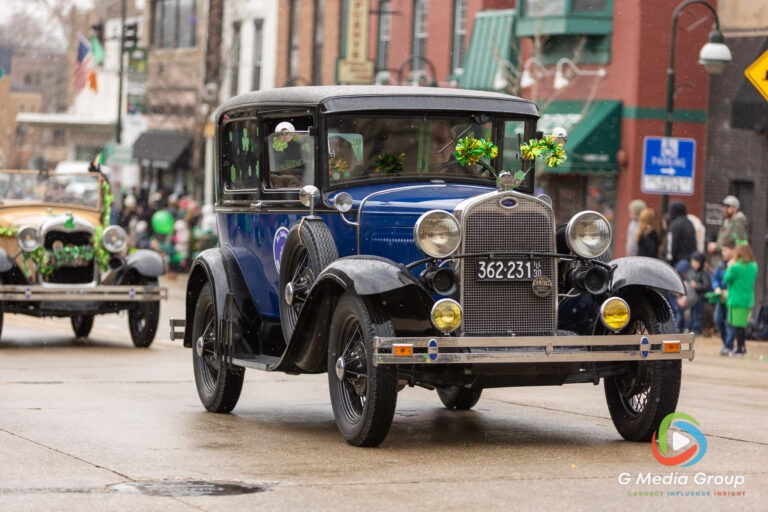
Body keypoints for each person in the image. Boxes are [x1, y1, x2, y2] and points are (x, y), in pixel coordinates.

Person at [724, 243, 759, 356]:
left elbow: (727, 278)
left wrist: (730, 266)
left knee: (737, 326)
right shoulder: (754, 266)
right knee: (741, 326)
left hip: (736, 299)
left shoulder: (736, 267)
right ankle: (742, 347)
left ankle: (739, 348)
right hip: (747, 299)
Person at [707, 195, 749, 265]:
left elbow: (739, 244)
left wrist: (716, 247)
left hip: (728, 264)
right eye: (724, 206)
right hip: (719, 262)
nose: (725, 209)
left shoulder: (738, 224)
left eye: (728, 206)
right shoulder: (727, 222)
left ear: (735, 208)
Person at [711, 239, 736, 355]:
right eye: (722, 250)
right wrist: (717, 288)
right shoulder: (721, 264)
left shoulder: (737, 265)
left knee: (730, 322)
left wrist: (728, 292)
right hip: (720, 298)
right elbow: (715, 278)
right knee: (717, 319)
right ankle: (726, 343)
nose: (723, 253)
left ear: (733, 250)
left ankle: (730, 345)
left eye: (726, 250)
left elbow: (738, 283)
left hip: (732, 299)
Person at [665, 200, 697, 267]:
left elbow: (671, 245)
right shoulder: (689, 223)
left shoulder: (674, 225)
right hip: (689, 261)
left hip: (678, 262)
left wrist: (668, 261)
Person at [687, 251, 711, 335]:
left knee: (697, 314)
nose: (694, 264)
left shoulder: (702, 273)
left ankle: (696, 330)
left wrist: (696, 285)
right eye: (693, 262)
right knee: (691, 313)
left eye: (697, 262)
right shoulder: (690, 272)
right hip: (691, 297)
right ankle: (690, 328)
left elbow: (706, 285)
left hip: (699, 297)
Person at [672, 259, 697, 333]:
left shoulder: (687, 279)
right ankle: (675, 330)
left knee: (686, 316)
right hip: (676, 304)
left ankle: (685, 329)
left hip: (685, 302)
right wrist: (677, 303)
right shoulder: (674, 279)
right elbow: (672, 294)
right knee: (678, 317)